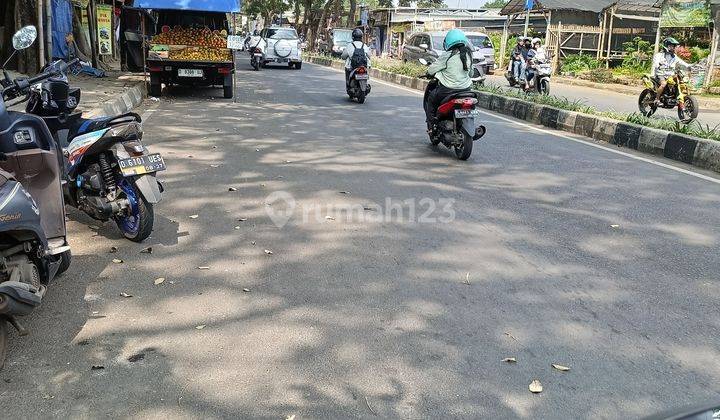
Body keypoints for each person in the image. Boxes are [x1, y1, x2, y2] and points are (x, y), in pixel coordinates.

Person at [424, 29, 474, 129]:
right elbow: (471, 74)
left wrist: (428, 73)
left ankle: (432, 122)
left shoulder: (448, 55)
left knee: (431, 98)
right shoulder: (469, 54)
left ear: (448, 41)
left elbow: (431, 70)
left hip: (447, 91)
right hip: (466, 90)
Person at [651, 37, 690, 105]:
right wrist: (658, 65)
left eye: (673, 46)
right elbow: (656, 63)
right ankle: (657, 99)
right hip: (660, 74)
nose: (672, 48)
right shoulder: (659, 55)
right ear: (666, 46)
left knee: (680, 81)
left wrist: (689, 66)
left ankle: (674, 96)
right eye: (671, 46)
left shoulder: (674, 57)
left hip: (670, 75)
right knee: (664, 84)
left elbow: (682, 63)